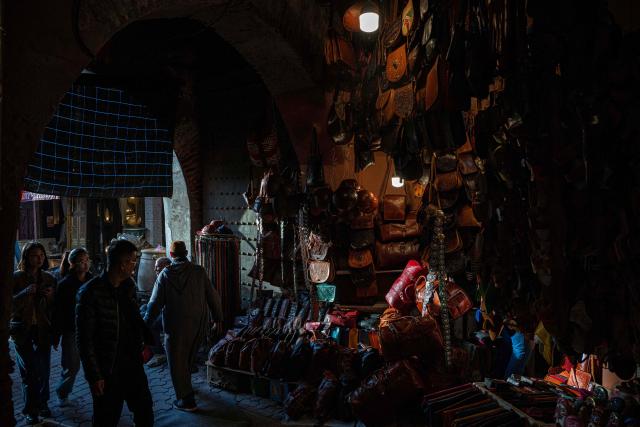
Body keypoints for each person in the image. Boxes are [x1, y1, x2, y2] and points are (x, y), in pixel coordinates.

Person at [76, 240, 154, 427]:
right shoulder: (90, 293)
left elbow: (133, 319)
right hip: (108, 369)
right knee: (106, 419)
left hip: (133, 365)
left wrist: (144, 341)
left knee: (145, 414)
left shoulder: (128, 286)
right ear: (123, 264)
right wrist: (94, 376)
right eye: (133, 261)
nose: (135, 265)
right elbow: (84, 339)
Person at [144, 241, 223, 411]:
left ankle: (186, 400)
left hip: (175, 326)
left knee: (176, 362)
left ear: (171, 256)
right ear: (186, 253)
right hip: (198, 325)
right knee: (188, 358)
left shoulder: (165, 274)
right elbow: (213, 296)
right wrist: (218, 318)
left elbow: (154, 304)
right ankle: (187, 387)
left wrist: (145, 325)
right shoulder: (199, 271)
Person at [10, 241, 57, 425]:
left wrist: (50, 296)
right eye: (34, 255)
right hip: (22, 329)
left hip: (43, 329)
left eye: (41, 255)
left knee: (43, 371)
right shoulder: (16, 278)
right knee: (29, 372)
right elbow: (9, 305)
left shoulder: (49, 278)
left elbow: (54, 308)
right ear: (26, 257)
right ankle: (31, 409)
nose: (39, 259)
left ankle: (43, 403)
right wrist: (24, 293)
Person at [53, 247, 92, 404]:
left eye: (86, 260)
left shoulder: (93, 281)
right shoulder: (65, 285)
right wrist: (56, 335)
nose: (85, 264)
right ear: (72, 264)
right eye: (81, 261)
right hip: (71, 331)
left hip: (91, 328)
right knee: (72, 366)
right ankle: (62, 392)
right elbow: (59, 312)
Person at [143, 256, 171, 368]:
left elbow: (156, 304)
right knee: (143, 309)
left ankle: (158, 352)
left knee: (151, 325)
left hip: (171, 314)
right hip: (164, 310)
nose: (155, 270)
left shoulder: (167, 278)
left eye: (158, 268)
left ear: (167, 267)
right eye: (155, 268)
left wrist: (145, 323)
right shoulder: (164, 276)